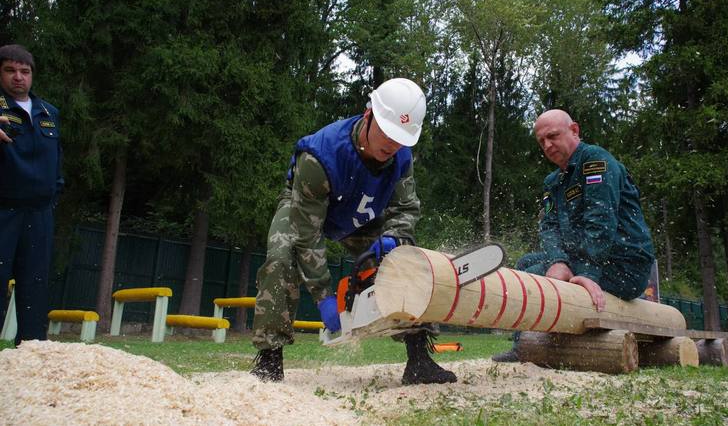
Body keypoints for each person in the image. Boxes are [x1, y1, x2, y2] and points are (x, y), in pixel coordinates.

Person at [251, 78, 456, 385]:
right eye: (387, 132)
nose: (391, 144)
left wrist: (393, 240)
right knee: (281, 258)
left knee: (408, 262)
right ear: (368, 114)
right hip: (305, 208)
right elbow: (307, 234)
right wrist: (323, 296)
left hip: (362, 213)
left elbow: (406, 208)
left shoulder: (400, 157)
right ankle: (269, 361)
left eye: (400, 138)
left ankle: (419, 360)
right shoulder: (319, 155)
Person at [493, 109, 654, 362]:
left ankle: (527, 347)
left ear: (574, 131)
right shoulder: (553, 181)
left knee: (533, 275)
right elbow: (548, 226)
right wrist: (558, 261)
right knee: (526, 263)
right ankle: (528, 342)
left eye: (553, 136)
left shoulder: (595, 162)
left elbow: (600, 222)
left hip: (623, 264)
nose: (547, 145)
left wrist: (587, 274)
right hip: (584, 259)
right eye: (541, 141)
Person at [0, 44, 63, 346]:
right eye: (10, 70)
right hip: (4, 210)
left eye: (24, 71)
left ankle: (30, 355)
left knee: (34, 287)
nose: (18, 77)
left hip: (39, 214)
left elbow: (57, 161)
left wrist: (54, 193)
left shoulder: (48, 113)